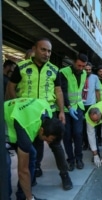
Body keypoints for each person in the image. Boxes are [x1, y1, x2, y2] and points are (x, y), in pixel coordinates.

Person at [6, 37, 72, 190]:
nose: (47, 53)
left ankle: (64, 174)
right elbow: (11, 86)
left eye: (49, 51)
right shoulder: (21, 67)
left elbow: (58, 91)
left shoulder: (54, 69)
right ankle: (34, 171)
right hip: (27, 115)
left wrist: (61, 111)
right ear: (35, 49)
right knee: (34, 145)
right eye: (43, 49)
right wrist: (16, 105)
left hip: (47, 113)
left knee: (55, 144)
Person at [5, 98, 64, 200]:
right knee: (4, 163)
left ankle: (22, 196)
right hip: (8, 122)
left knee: (31, 154)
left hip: (15, 121)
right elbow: (23, 171)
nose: (47, 142)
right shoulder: (27, 127)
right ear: (42, 130)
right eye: (48, 140)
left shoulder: (47, 110)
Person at [60, 53, 87, 171]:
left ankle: (79, 158)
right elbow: (62, 91)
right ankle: (70, 160)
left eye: (83, 66)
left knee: (78, 134)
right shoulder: (63, 72)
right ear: (73, 62)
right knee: (66, 135)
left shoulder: (85, 73)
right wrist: (69, 106)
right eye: (79, 65)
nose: (80, 68)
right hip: (66, 109)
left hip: (78, 107)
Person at [82, 62, 100, 150]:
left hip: (91, 105)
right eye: (86, 70)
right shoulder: (81, 77)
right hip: (81, 105)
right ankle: (85, 143)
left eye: (89, 70)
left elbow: (97, 91)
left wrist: (98, 104)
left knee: (92, 126)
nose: (88, 71)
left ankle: (93, 144)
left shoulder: (95, 77)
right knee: (83, 126)